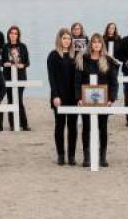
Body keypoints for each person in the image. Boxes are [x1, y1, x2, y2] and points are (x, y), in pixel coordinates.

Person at [74, 34, 119, 167]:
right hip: (86, 100)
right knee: (86, 127)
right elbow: (77, 81)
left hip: (104, 101)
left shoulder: (108, 60)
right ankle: (87, 157)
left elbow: (114, 82)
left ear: (102, 45)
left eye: (99, 42)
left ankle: (102, 157)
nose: (96, 45)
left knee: (103, 128)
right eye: (94, 42)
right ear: (90, 44)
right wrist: (79, 98)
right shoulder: (82, 59)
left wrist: (111, 98)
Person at [47, 28, 78, 166]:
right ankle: (61, 155)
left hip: (73, 96)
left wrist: (79, 96)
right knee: (60, 125)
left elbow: (79, 77)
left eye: (69, 38)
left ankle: (71, 156)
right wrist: (55, 95)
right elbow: (51, 78)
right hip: (59, 96)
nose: (67, 41)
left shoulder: (76, 55)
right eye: (64, 38)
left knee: (73, 126)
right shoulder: (53, 56)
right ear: (59, 39)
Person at [0, 25, 31, 131]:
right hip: (8, 76)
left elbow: (27, 62)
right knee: (10, 99)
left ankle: (24, 124)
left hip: (20, 76)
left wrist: (22, 65)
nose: (13, 35)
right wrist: (6, 64)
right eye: (11, 33)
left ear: (18, 35)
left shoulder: (23, 46)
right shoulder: (5, 47)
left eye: (15, 33)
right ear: (8, 34)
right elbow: (1, 62)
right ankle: (12, 124)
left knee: (18, 99)